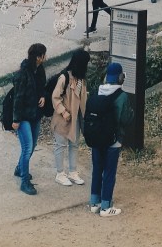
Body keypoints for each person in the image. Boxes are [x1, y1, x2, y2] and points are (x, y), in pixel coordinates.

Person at [88, 61, 132, 216]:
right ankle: (106, 206)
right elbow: (125, 119)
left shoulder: (98, 92)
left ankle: (95, 202)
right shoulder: (122, 96)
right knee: (109, 172)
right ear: (120, 77)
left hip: (96, 138)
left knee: (97, 169)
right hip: (113, 139)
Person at [12, 43, 47, 195]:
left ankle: (20, 169)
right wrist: (16, 119)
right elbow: (17, 97)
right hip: (24, 115)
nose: (46, 57)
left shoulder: (39, 70)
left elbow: (42, 87)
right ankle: (25, 182)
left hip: (35, 113)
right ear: (39, 57)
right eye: (44, 55)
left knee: (32, 146)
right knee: (27, 148)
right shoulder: (23, 73)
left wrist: (43, 97)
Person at [51, 49, 89, 186]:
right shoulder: (64, 78)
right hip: (63, 117)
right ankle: (60, 173)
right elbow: (55, 97)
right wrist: (63, 111)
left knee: (74, 145)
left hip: (77, 117)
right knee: (60, 145)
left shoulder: (81, 79)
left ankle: (73, 172)